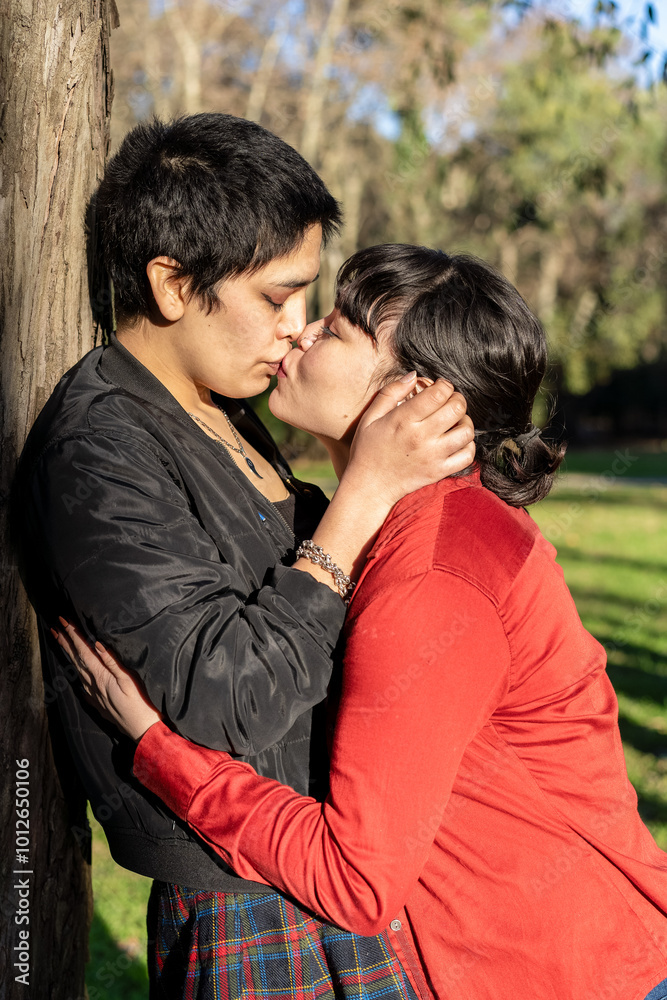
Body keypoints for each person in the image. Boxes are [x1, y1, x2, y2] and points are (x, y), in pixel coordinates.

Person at [59, 244, 667, 1000]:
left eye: (341, 329)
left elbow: (354, 879)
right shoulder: (422, 521)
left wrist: (160, 749)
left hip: (561, 973)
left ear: (416, 397)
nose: (302, 331)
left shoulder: (434, 575)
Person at [13, 118, 475, 1000]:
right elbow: (228, 697)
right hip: (243, 896)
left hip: (325, 864)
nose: (296, 330)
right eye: (277, 298)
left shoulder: (217, 404)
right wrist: (359, 499)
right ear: (174, 284)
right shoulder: (100, 450)